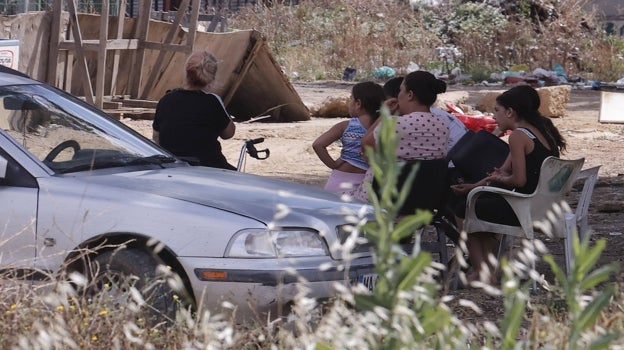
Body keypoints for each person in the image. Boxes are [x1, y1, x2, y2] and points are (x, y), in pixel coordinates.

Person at [450, 85, 567, 285]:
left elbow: (517, 180)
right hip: (544, 206)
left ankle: (482, 272)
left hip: (524, 208)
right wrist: (473, 186)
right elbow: (502, 171)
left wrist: (501, 180)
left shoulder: (518, 136)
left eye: (497, 111)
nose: (494, 116)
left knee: (463, 210)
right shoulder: (543, 130)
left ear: (510, 112)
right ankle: (487, 269)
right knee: (478, 204)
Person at [350, 71, 450, 202]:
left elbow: (366, 147)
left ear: (410, 95)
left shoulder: (394, 123)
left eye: (401, 90)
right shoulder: (443, 125)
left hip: (378, 205)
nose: (398, 95)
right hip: (419, 204)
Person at [152, 50, 236, 170]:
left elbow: (156, 137)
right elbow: (228, 134)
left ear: (186, 72)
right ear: (211, 78)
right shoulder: (212, 101)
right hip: (207, 167)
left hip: (172, 166)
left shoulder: (166, 100)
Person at [313, 81, 385, 193]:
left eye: (351, 99)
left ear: (358, 103)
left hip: (340, 180)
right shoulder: (382, 127)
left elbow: (318, 144)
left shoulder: (346, 126)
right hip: (368, 181)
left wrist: (333, 164)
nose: (349, 102)